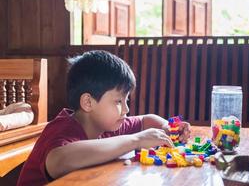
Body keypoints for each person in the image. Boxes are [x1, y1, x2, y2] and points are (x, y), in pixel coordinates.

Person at [17, 50, 191, 185]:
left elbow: (147, 120)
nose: (126, 108)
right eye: (118, 101)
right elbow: (59, 160)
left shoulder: (105, 124)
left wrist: (167, 128)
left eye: (127, 100)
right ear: (88, 103)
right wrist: (135, 140)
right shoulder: (62, 129)